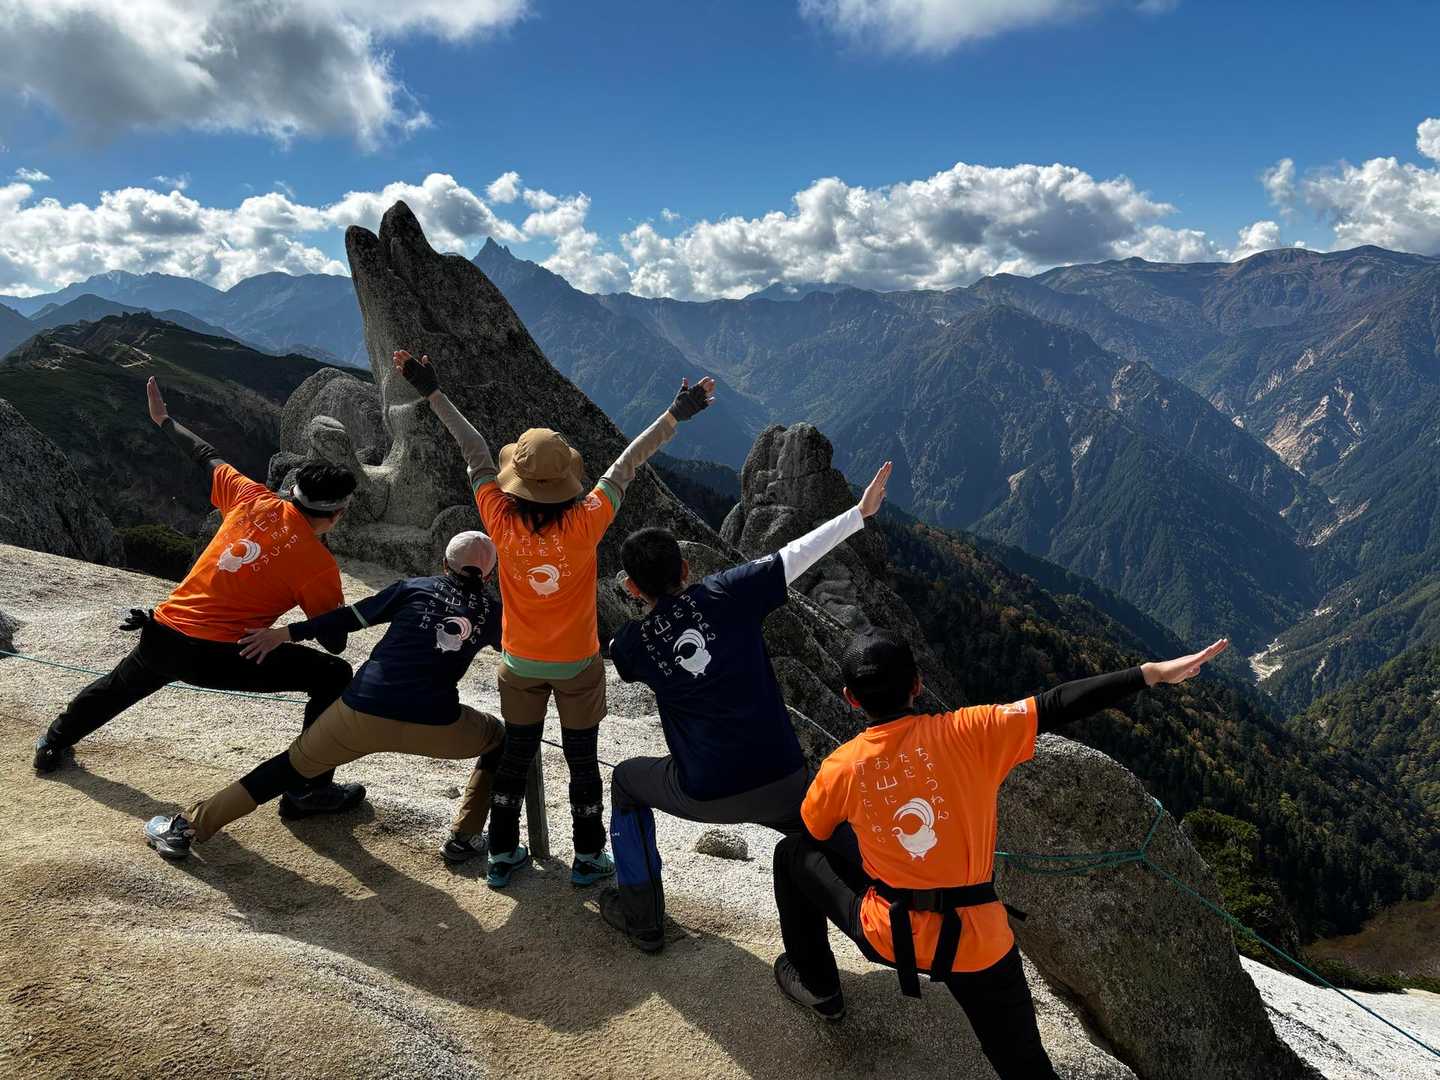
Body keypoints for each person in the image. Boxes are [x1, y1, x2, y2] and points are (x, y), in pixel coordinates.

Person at [771, 630, 1229, 1079]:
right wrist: (1151, 673)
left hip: (892, 935)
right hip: (979, 942)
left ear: (851, 698)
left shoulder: (841, 768)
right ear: (917, 684)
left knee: (793, 854)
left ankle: (819, 987)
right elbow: (1057, 703)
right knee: (1024, 1065)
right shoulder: (970, 731)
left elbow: (814, 832)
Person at [393, 349, 715, 889]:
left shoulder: (499, 517)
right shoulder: (587, 521)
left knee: (515, 755)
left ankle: (501, 854)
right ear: (567, 477)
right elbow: (627, 464)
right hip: (577, 663)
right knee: (583, 761)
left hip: (519, 661)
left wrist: (432, 391)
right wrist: (676, 414)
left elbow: (473, 449)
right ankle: (588, 858)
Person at [597, 461, 894, 953]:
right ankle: (894, 916)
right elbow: (794, 555)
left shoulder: (634, 642)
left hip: (705, 790)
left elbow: (612, 652)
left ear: (632, 587)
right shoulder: (729, 592)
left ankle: (642, 918)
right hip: (782, 779)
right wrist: (858, 514)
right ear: (686, 569)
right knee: (830, 830)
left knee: (626, 782)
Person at [34, 377, 361, 819]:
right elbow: (335, 641)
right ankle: (308, 789)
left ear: (292, 490)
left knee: (118, 687)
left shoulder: (250, 498)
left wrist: (163, 420)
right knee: (334, 675)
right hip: (224, 657)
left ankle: (53, 741)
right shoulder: (318, 565)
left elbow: (206, 455)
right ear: (337, 514)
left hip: (165, 633)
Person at [143, 531, 508, 859]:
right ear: (490, 575)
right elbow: (520, 651)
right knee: (500, 740)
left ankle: (186, 828)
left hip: (360, 712)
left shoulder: (414, 588)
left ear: (444, 563)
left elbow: (349, 617)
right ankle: (464, 838)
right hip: (437, 724)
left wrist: (285, 633)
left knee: (285, 769)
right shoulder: (493, 613)